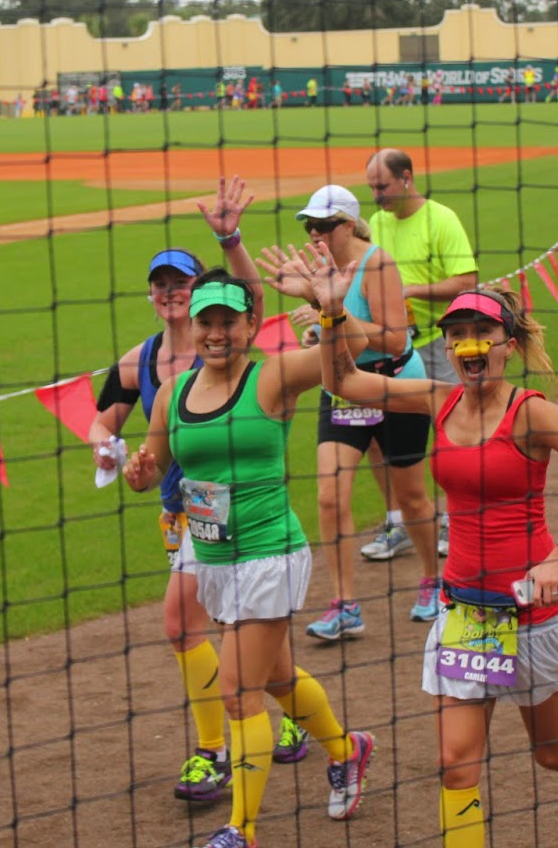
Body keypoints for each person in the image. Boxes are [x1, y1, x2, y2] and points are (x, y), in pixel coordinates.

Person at [308, 273, 558, 848]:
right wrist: (332, 315)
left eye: (482, 331)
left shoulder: (532, 413)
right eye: (457, 334)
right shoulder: (437, 398)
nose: (468, 343)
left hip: (534, 615)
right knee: (455, 765)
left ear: (509, 344)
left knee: (553, 751)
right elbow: (344, 382)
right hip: (467, 614)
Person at [122, 271, 378, 848]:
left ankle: (243, 829)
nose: (216, 333)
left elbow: (354, 351)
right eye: (206, 322)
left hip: (268, 557)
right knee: (278, 678)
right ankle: (347, 750)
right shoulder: (173, 393)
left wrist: (328, 307)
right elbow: (153, 469)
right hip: (212, 558)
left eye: (228, 322)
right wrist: (139, 474)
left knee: (239, 691)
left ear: (250, 325)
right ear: (193, 326)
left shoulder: (273, 377)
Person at [89, 182, 312, 806]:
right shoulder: (141, 361)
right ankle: (328, 734)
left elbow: (253, 300)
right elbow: (105, 422)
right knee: (256, 652)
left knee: (185, 626)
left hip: (245, 517)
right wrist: (115, 454)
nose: (169, 292)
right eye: (159, 284)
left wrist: (229, 238)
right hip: (184, 514)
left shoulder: (230, 346)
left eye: (179, 283)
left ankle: (213, 752)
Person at [256, 185, 441, 639]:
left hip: (395, 385)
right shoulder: (323, 269)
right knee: (329, 496)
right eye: (309, 225)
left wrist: (329, 310)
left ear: (349, 225)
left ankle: (434, 581)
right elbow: (337, 327)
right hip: (342, 388)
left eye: (324, 225)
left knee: (412, 497)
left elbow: (395, 339)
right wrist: (322, 324)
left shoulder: (377, 264)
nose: (314, 233)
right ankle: (345, 604)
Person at [363, 149, 479, 558]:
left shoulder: (441, 219)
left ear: (407, 177)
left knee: (452, 431)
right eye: (371, 188)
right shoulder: (376, 223)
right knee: (377, 435)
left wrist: (409, 290)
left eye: (382, 186)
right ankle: (398, 522)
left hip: (437, 343)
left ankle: (453, 520)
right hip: (389, 347)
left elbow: (467, 281)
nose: (377, 195)